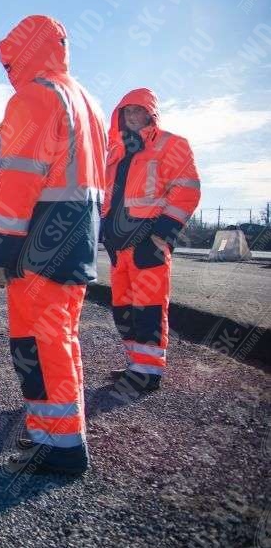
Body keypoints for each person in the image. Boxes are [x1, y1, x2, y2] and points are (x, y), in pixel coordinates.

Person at [0, 15, 107, 477]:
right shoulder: (87, 102)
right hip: (73, 240)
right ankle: (49, 434)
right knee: (57, 340)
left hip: (39, 243)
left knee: (40, 342)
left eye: (9, 60)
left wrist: (0, 250)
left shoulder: (34, 97)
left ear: (25, 52)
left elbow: (17, 181)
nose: (7, 69)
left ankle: (63, 447)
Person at [101, 89, 200, 393]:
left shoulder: (172, 144)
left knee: (149, 308)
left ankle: (148, 372)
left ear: (150, 114)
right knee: (124, 309)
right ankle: (136, 366)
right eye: (126, 111)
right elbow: (107, 199)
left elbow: (188, 190)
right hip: (120, 246)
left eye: (138, 111)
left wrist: (162, 234)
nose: (132, 116)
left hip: (149, 243)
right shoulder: (114, 154)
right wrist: (106, 235)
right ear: (119, 115)